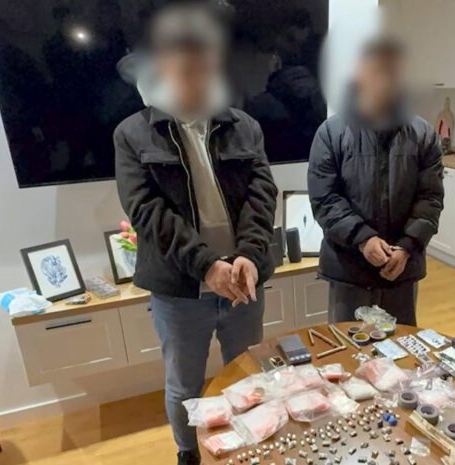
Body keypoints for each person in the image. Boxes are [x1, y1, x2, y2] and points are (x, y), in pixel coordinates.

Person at [113, 3, 277, 464]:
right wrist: (206, 265)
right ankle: (188, 454)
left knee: (246, 374)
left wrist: (248, 254)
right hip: (181, 287)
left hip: (243, 278)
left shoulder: (244, 125)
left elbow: (262, 194)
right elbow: (146, 211)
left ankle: (247, 449)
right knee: (185, 385)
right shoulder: (131, 134)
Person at [308, 37, 444, 326]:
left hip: (402, 269)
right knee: (348, 346)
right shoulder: (331, 132)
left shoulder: (423, 134)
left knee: (400, 348)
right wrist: (363, 239)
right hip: (348, 269)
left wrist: (407, 246)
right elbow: (325, 199)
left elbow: (430, 199)